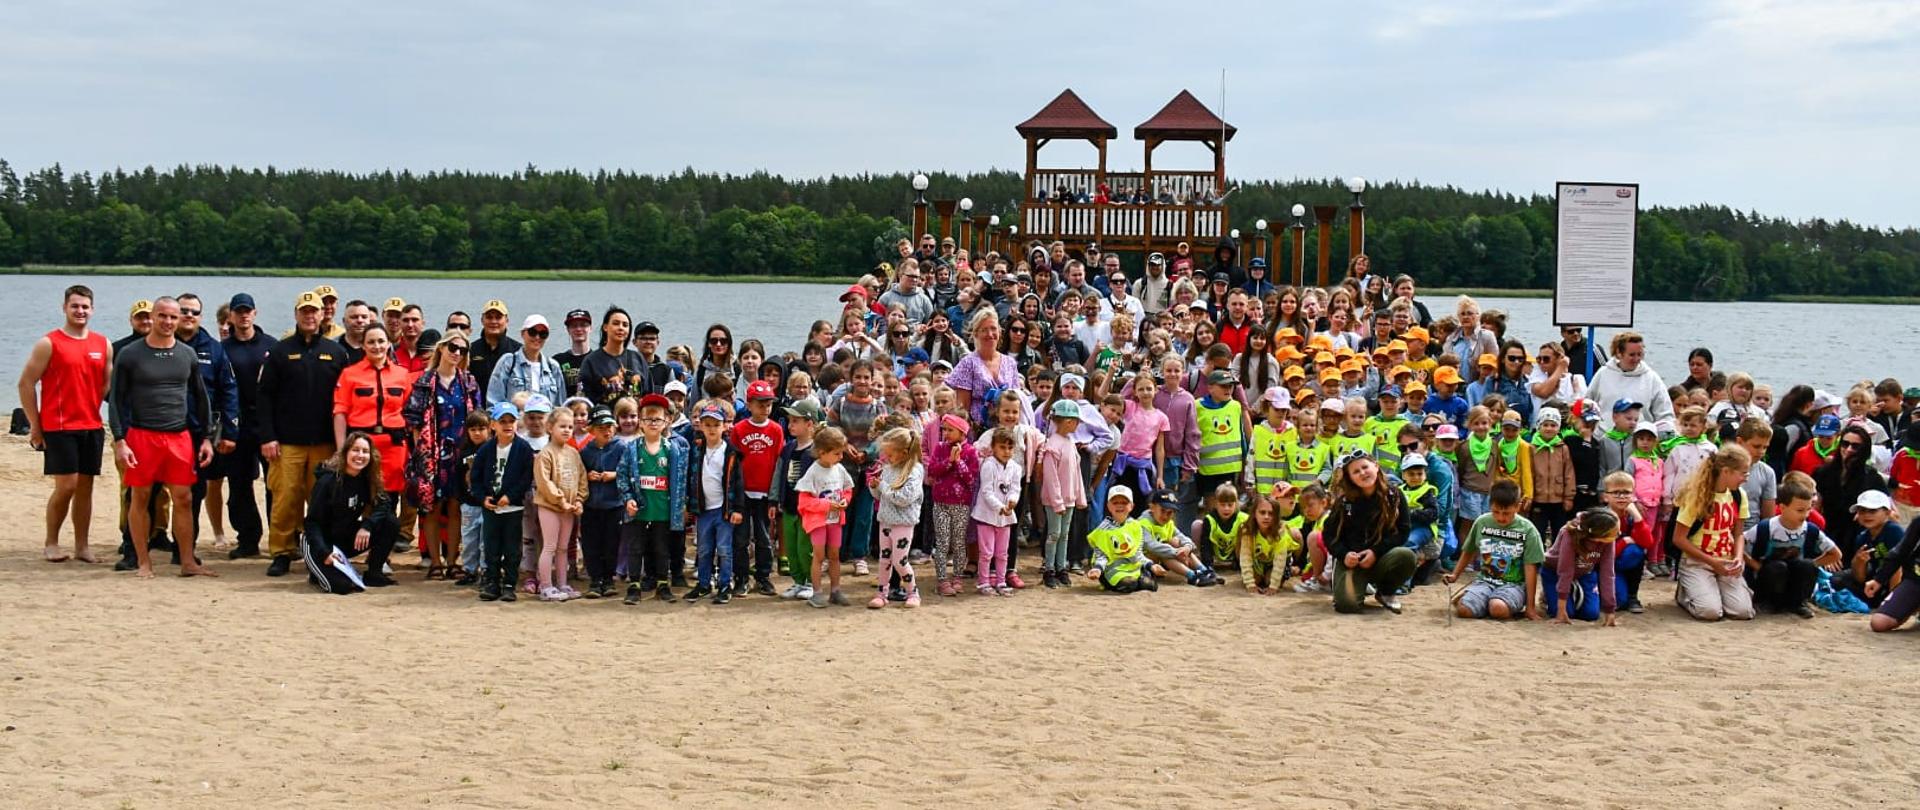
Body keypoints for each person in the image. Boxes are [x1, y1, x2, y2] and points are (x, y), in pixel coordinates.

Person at [109, 297, 217, 578]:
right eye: (163, 316)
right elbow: (116, 400)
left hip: (179, 436)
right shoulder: (130, 354)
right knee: (140, 497)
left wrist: (207, 438)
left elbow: (201, 397)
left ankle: (187, 562)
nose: (168, 322)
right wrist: (120, 440)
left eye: (173, 317)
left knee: (184, 498)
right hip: (141, 435)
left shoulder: (186, 354)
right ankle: (143, 562)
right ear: (153, 317)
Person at [257, 290, 348, 577]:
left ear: (323, 315)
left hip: (324, 443)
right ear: (296, 314)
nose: (310, 316)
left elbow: (344, 400)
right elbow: (264, 397)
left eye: (314, 311)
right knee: (285, 499)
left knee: (321, 501)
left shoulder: (337, 353)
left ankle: (320, 552)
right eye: (304, 311)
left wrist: (342, 445)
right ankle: (282, 552)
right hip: (286, 442)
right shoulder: (280, 352)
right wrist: (267, 436)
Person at [18, 284, 110, 564]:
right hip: (59, 427)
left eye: (85, 306)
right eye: (75, 306)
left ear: (92, 309)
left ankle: (82, 546)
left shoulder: (103, 344)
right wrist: (35, 425)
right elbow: (26, 383)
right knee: (67, 486)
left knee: (85, 488)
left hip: (91, 426)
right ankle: (51, 542)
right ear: (65, 308)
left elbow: (105, 386)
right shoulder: (49, 343)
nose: (80, 311)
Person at [403, 329, 482, 579]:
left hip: (461, 453)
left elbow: (477, 418)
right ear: (441, 348)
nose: (457, 353)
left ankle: (452, 561)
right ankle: (435, 562)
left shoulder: (468, 382)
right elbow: (413, 421)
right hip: (432, 454)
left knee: (456, 506)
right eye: (452, 347)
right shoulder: (425, 381)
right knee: (432, 508)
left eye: (462, 350)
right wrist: (422, 454)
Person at [331, 324, 412, 554]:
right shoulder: (350, 374)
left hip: (394, 446)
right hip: (362, 445)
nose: (377, 346)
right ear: (363, 345)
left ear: (389, 343)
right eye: (371, 342)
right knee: (363, 496)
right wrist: (341, 448)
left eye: (381, 341)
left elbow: (409, 411)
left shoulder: (402, 374)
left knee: (389, 499)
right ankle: (353, 546)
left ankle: (381, 556)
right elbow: (340, 412)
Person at [300, 432, 400, 593]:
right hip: (319, 542)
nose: (360, 455)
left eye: (365, 451)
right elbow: (312, 523)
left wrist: (367, 526)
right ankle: (318, 571)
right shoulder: (328, 481)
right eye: (355, 450)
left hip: (344, 538)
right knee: (343, 587)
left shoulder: (367, 478)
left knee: (390, 522)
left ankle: (374, 572)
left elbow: (384, 504)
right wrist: (324, 553)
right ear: (345, 452)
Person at [617, 393, 690, 604]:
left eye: (657, 419)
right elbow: (622, 475)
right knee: (636, 548)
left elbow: (680, 480)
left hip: (662, 510)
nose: (652, 423)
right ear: (640, 422)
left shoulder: (673, 449)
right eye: (648, 419)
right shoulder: (632, 448)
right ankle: (634, 586)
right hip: (638, 510)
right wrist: (628, 499)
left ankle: (662, 584)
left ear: (666, 421)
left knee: (661, 548)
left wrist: (681, 506)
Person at [1671, 445, 1757, 621]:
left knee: (1742, 612)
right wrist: (1712, 562)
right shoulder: (1697, 495)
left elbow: (1738, 533)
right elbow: (1678, 539)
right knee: (1709, 612)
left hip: (1726, 560)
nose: (1746, 478)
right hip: (1697, 561)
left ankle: (1714, 589)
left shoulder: (1738, 495)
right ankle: (1685, 592)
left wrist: (1738, 557)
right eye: (1743, 473)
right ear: (1726, 471)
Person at [1323, 451, 1416, 613]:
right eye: (1356, 472)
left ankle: (1386, 592)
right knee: (1347, 605)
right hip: (1352, 560)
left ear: (1376, 466)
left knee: (1406, 556)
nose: (1362, 473)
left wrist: (1375, 552)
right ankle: (1359, 585)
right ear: (1350, 478)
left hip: (1381, 557)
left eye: (1365, 467)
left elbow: (1403, 530)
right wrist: (1344, 555)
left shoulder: (1394, 495)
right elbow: (1329, 534)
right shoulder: (1344, 501)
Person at [218, 292, 271, 560]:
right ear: (231, 316)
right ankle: (248, 539)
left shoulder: (271, 346)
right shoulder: (223, 349)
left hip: (266, 426)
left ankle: (282, 539)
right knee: (239, 486)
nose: (243, 316)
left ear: (254, 313)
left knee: (275, 485)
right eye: (238, 312)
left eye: (247, 311)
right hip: (236, 427)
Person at [1447, 480, 1544, 620]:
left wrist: (1530, 607)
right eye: (1496, 512)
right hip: (1485, 581)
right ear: (1490, 505)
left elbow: (1530, 568)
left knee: (1498, 609)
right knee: (1464, 611)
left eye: (1506, 513)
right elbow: (1469, 550)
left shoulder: (1528, 530)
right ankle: (1474, 597)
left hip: (1513, 585)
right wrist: (1455, 575)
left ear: (1518, 507)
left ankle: (1485, 600)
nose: (1500, 517)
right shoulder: (1482, 522)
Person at [1743, 479, 1838, 618]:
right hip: (1769, 575)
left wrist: (1812, 564)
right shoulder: (1766, 527)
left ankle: (1798, 603)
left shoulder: (1811, 530)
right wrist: (1756, 566)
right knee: (1777, 567)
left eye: (1808, 509)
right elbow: (1740, 544)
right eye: (1800, 510)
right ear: (1782, 508)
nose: (1805, 515)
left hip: (1795, 576)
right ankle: (1769, 603)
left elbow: (1835, 554)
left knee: (1806, 565)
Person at [730, 380, 786, 597]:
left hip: (765, 493)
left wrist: (774, 497)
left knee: (764, 538)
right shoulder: (739, 429)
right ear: (749, 405)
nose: (765, 408)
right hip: (743, 493)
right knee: (741, 539)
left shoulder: (776, 430)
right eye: (760, 403)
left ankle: (763, 577)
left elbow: (778, 464)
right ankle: (741, 578)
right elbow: (733, 464)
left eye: (768, 404)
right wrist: (734, 494)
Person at [686, 403, 744, 604]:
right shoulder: (696, 449)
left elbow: (738, 483)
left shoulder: (731, 452)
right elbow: (690, 478)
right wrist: (688, 504)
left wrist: (737, 509)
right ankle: (704, 584)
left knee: (724, 549)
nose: (712, 429)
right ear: (701, 425)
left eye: (716, 424)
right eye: (708, 424)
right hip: (703, 509)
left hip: (724, 510)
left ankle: (725, 585)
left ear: (725, 426)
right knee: (704, 549)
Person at [531, 408, 587, 602]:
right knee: (550, 546)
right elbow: (544, 482)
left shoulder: (573, 453)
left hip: (569, 509)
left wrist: (579, 500)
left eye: (570, 427)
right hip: (550, 507)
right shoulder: (545, 454)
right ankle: (546, 586)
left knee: (563, 547)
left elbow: (582, 478)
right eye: (562, 426)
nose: (566, 430)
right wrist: (560, 500)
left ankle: (562, 584)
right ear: (550, 428)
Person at [795, 426, 855, 608]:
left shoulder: (839, 469)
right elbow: (804, 502)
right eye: (837, 453)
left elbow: (847, 489)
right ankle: (817, 592)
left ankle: (835, 590)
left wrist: (845, 500)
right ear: (822, 452)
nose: (841, 457)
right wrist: (826, 505)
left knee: (835, 555)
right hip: (819, 522)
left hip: (835, 520)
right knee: (819, 556)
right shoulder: (813, 472)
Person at [870, 426, 926, 608]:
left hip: (903, 523)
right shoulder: (888, 469)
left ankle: (913, 593)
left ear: (904, 453)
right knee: (884, 560)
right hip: (886, 521)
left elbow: (903, 498)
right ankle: (881, 593)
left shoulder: (915, 471)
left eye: (890, 454)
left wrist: (882, 486)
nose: (886, 458)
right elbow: (881, 496)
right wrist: (874, 486)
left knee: (900, 561)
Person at [1038, 399, 1088, 588]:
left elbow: (1076, 473)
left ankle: (1061, 568)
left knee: (1064, 534)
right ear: (1068, 421)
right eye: (1076, 421)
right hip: (1055, 501)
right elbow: (1051, 478)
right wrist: (1057, 502)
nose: (1077, 425)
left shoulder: (1070, 443)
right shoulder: (1052, 445)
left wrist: (1079, 497)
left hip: (1069, 499)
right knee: (1054, 534)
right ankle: (1049, 569)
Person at [1584, 332, 1677, 433]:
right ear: (1619, 353)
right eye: (1632, 355)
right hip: (1604, 437)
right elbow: (1587, 404)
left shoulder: (1652, 378)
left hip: (1639, 439)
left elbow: (1665, 415)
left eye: (1639, 354)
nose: (1636, 359)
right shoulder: (1603, 374)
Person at [1540, 507, 1619, 625]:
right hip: (1554, 572)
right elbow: (1565, 570)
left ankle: (1573, 594)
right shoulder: (1570, 532)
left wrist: (1610, 610)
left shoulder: (1608, 538)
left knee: (1591, 614)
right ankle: (1547, 597)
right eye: (1615, 533)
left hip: (1584, 573)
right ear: (1598, 533)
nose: (1617, 535)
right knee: (1566, 612)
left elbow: (1608, 573)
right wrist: (1561, 608)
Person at [973, 426, 1023, 596]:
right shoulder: (988, 465)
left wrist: (1012, 502)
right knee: (986, 553)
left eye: (1010, 447)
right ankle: (983, 582)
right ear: (993, 447)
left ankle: (1001, 582)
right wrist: (1000, 507)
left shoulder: (1015, 467)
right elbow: (986, 491)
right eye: (1002, 447)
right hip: (986, 515)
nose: (1006, 451)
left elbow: (1015, 489)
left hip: (1005, 517)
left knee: (1002, 552)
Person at [1084, 485, 1161, 592]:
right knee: (1129, 584)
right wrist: (1098, 569)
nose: (1120, 505)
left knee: (1151, 585)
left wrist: (1150, 565)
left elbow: (1138, 553)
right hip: (1111, 570)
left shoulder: (1135, 525)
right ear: (1108, 506)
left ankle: (1138, 580)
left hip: (1132, 568)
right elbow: (1101, 556)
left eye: (1124, 502)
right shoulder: (1102, 530)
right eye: (1115, 502)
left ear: (1131, 506)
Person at [486, 314, 563, 408]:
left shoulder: (553, 367)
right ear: (522, 334)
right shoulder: (508, 363)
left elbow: (560, 407)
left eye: (543, 334)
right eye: (532, 332)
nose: (537, 337)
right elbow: (494, 402)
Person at [468, 299, 520, 392]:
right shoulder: (470, 350)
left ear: (507, 320)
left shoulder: (518, 351)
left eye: (498, 317)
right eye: (489, 317)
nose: (493, 321)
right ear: (482, 320)